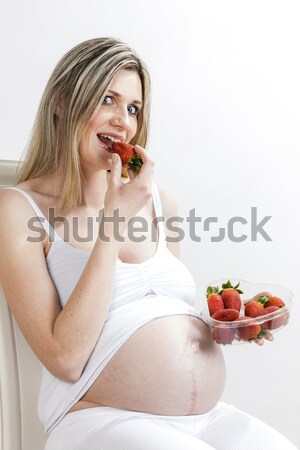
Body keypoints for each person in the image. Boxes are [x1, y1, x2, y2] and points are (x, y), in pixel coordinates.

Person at [0, 37, 297, 450]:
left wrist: (229, 324)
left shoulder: (158, 200)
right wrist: (114, 221)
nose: (123, 120)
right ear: (63, 102)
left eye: (133, 109)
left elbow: (157, 310)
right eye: (108, 99)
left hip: (204, 417)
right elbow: (65, 359)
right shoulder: (19, 209)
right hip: (97, 418)